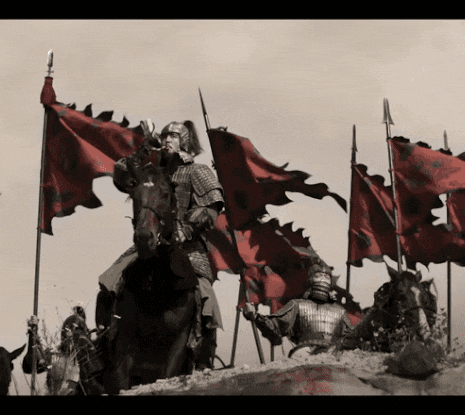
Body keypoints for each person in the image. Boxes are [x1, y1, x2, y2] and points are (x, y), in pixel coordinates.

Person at [112, 119, 224, 371]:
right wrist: (144, 147)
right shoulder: (152, 171)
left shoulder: (197, 171)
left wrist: (187, 230)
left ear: (185, 141)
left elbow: (211, 208)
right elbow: (121, 173)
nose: (166, 140)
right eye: (163, 136)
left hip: (187, 248)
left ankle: (202, 358)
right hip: (149, 242)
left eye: (173, 136)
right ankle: (109, 337)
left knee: (206, 299)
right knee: (110, 280)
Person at [241, 258, 355, 358]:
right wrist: (256, 316)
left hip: (332, 353)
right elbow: (275, 326)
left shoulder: (340, 311)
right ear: (311, 280)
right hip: (304, 352)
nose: (322, 279)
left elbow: (352, 338)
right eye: (318, 276)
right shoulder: (297, 305)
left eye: (326, 277)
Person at [23, 306, 104, 395]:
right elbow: (30, 365)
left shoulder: (92, 359)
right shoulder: (55, 356)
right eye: (73, 332)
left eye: (79, 333)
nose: (76, 337)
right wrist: (33, 334)